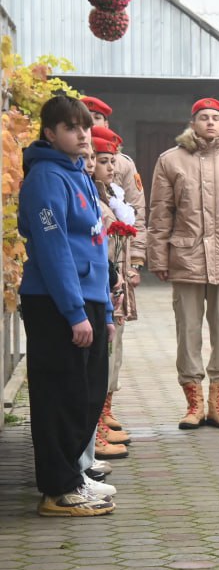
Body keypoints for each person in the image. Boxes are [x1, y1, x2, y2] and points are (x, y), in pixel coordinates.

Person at [17, 95, 115, 516]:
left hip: (88, 299)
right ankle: (57, 490)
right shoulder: (45, 178)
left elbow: (95, 245)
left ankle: (73, 477)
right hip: (55, 302)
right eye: (71, 128)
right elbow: (54, 247)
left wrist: (105, 312)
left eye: (85, 128)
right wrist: (74, 313)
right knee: (61, 395)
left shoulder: (78, 175)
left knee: (88, 393)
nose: (82, 136)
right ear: (50, 133)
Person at [148, 97, 219, 430]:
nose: (210, 122)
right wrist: (157, 256)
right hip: (186, 257)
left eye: (216, 117)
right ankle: (193, 404)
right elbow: (160, 214)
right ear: (192, 122)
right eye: (203, 117)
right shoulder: (171, 161)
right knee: (187, 332)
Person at [81, 96, 147, 437]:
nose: (101, 164)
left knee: (113, 345)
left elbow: (138, 214)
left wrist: (135, 261)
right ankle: (95, 422)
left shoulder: (121, 169)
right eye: (87, 117)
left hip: (116, 273)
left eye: (98, 117)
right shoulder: (78, 178)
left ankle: (105, 410)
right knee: (100, 347)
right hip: (95, 279)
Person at [89, 126, 137, 462]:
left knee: (112, 352)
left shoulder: (112, 193)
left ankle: (102, 417)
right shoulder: (89, 195)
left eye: (110, 160)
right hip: (100, 283)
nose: (109, 166)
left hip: (114, 282)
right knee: (100, 356)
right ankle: (95, 430)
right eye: (101, 160)